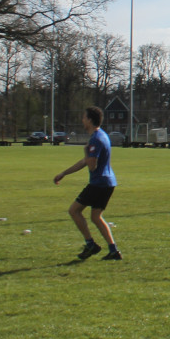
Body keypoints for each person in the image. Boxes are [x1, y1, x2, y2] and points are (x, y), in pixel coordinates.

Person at [54, 105, 122, 261]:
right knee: (96, 216)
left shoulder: (95, 140)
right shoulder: (102, 135)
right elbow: (85, 161)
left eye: (84, 117)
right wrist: (64, 173)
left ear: (90, 120)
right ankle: (114, 251)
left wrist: (86, 149)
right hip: (108, 182)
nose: (82, 120)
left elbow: (92, 165)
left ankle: (90, 244)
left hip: (99, 183)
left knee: (74, 211)